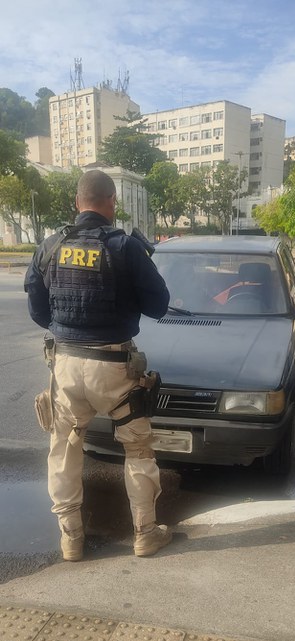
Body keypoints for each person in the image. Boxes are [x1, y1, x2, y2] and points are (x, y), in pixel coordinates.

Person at [24, 169, 172, 562]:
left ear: (77, 203)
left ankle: (71, 539)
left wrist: (70, 329)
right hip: (114, 368)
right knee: (138, 449)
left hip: (66, 364)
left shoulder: (51, 245)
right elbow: (159, 305)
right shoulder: (124, 247)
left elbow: (37, 309)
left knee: (65, 448)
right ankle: (145, 534)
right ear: (112, 203)